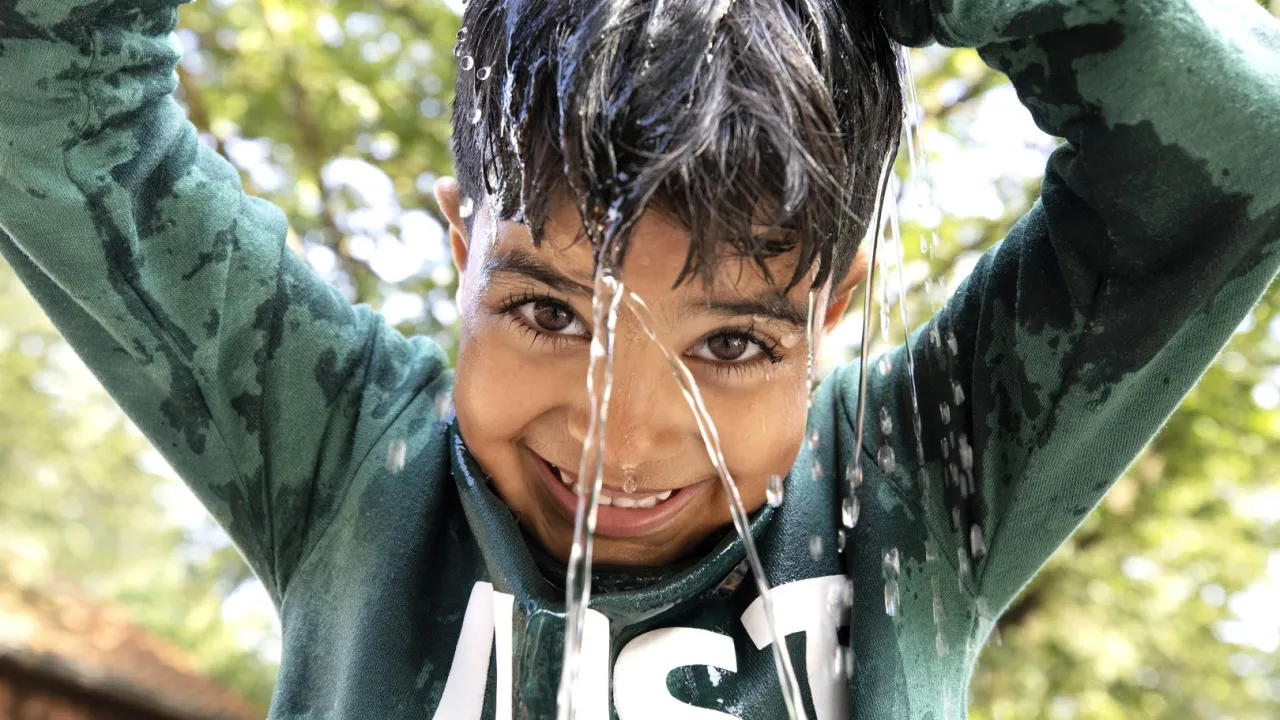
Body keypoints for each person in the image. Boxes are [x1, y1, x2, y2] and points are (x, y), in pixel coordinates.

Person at [1, 0, 1277, 717]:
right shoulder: (351, 460)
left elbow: (1232, 169)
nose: (620, 440)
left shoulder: (917, 494)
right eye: (547, 314)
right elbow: (42, 85)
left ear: (833, 307)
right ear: (459, 244)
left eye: (731, 340)